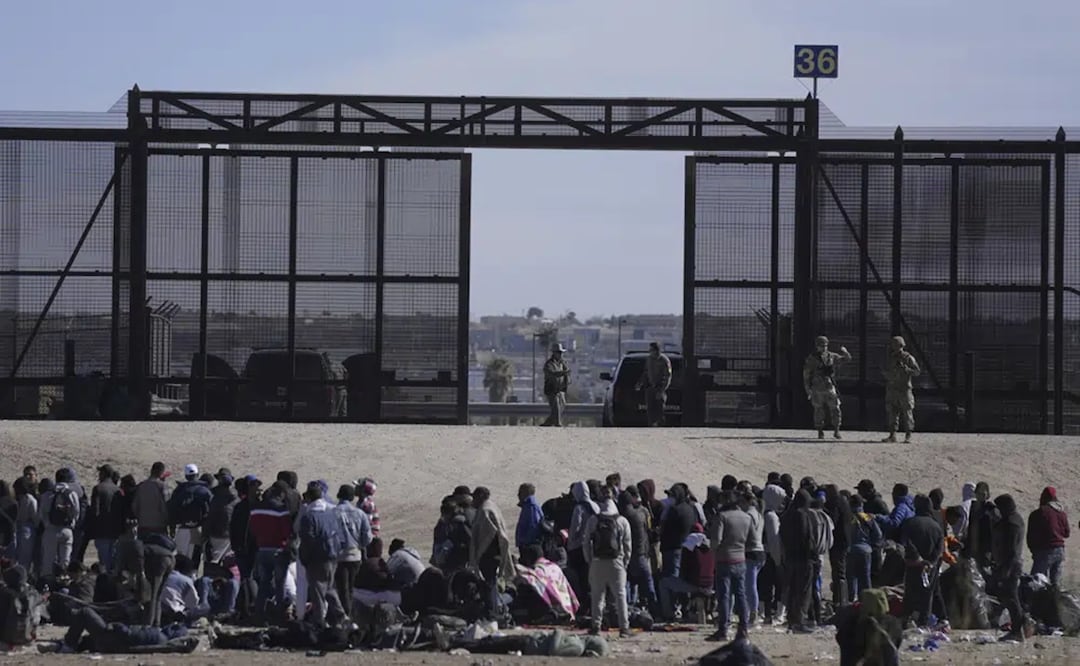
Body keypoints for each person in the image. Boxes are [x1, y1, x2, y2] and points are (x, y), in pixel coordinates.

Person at [582, 486, 632, 637]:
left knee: (597, 596)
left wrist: (589, 560)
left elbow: (586, 542)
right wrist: (625, 563)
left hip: (597, 561)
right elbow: (627, 545)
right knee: (620, 595)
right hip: (617, 562)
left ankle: (596, 626)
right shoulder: (622, 520)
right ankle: (624, 628)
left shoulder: (593, 520)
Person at [296, 481, 343, 627]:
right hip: (332, 556)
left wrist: (304, 558)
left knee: (317, 590)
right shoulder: (331, 513)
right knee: (329, 588)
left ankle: (319, 621)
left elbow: (307, 540)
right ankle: (340, 615)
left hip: (317, 558)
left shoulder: (309, 516)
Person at [709, 491, 752, 641]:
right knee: (741, 595)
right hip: (740, 559)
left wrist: (713, 551)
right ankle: (743, 628)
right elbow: (751, 540)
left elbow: (716, 540)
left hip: (724, 560)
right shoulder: (747, 517)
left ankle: (723, 630)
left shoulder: (722, 517)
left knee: (724, 596)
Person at [469, 486, 515, 619]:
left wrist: (478, 554)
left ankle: (496, 611)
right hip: (494, 554)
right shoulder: (491, 507)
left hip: (489, 555)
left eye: (474, 497)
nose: (473, 501)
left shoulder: (485, 511)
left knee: (490, 586)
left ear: (480, 497)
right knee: (491, 585)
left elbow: (488, 534)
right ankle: (496, 610)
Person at [899, 495, 944, 626]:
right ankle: (923, 623)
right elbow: (939, 548)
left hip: (913, 565)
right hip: (930, 567)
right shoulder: (937, 526)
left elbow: (906, 542)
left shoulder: (910, 523)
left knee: (910, 594)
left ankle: (906, 621)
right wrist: (931, 562)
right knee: (927, 595)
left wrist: (918, 558)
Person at [990, 494, 1027, 642]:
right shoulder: (1015, 519)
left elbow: (1011, 550)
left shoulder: (1012, 523)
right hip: (1011, 563)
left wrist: (1005, 569)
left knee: (1011, 597)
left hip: (1010, 564)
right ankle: (1018, 628)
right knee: (1010, 597)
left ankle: (1017, 630)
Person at [802, 335, 852, 439]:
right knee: (818, 410)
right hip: (817, 387)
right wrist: (808, 389)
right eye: (821, 346)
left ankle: (836, 430)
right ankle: (820, 430)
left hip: (829, 387)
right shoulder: (812, 358)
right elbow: (806, 374)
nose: (824, 348)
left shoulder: (831, 356)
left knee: (836, 408)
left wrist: (845, 352)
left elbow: (846, 359)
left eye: (825, 346)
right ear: (817, 346)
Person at [333, 484, 371, 618]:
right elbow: (367, 537)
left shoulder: (333, 512)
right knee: (352, 588)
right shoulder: (360, 513)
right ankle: (352, 615)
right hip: (355, 555)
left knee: (342, 589)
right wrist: (360, 545)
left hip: (339, 556)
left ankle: (345, 616)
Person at [618, 486, 656, 612]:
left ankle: (630, 607)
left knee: (630, 582)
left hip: (631, 553)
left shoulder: (623, 516)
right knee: (646, 581)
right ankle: (652, 606)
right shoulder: (642, 513)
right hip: (642, 552)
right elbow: (648, 529)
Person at [39, 470, 82, 579]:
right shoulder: (72, 493)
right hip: (66, 529)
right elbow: (76, 512)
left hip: (51, 530)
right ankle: (64, 580)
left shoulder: (47, 494)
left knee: (48, 559)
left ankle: (47, 581)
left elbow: (42, 513)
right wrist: (72, 523)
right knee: (65, 560)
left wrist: (47, 524)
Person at [168, 464, 212, 562]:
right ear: (197, 475)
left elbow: (171, 510)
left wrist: (172, 528)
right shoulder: (205, 491)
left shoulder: (179, 491)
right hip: (198, 530)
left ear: (186, 476)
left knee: (180, 561)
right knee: (194, 561)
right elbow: (210, 513)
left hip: (181, 529)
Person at [1026, 486, 1069, 586]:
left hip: (1045, 550)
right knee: (1055, 583)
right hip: (1060, 550)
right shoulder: (1061, 513)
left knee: (1037, 581)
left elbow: (1031, 535)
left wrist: (1034, 550)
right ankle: (1054, 595)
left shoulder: (1039, 513)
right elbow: (1066, 533)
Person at [882, 336, 921, 443]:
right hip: (892, 388)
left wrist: (907, 369)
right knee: (892, 412)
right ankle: (892, 435)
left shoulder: (908, 358)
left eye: (896, 345)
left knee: (907, 412)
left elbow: (917, 372)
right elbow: (885, 370)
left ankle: (908, 435)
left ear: (901, 345)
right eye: (893, 345)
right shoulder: (890, 358)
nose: (894, 347)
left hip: (904, 389)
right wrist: (887, 375)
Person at [86, 465, 123, 574]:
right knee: (112, 560)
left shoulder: (98, 488)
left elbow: (95, 511)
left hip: (102, 530)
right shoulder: (117, 490)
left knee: (103, 562)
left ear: (103, 474)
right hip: (115, 531)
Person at [846, 494, 883, 602]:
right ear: (861, 504)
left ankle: (851, 600)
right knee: (865, 578)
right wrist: (871, 544)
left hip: (850, 550)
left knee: (851, 577)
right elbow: (878, 534)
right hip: (865, 550)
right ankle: (867, 601)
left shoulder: (846, 517)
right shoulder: (866, 517)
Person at [205, 468, 238, 564]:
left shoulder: (213, 495)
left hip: (216, 533)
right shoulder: (236, 497)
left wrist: (205, 533)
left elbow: (209, 516)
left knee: (215, 561)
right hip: (231, 533)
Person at [637, 342, 672, 427]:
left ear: (657, 350)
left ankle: (660, 426)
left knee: (659, 410)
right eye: (650, 350)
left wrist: (662, 390)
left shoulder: (664, 360)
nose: (650, 352)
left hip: (659, 388)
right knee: (650, 410)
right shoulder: (649, 359)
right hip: (650, 387)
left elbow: (668, 376)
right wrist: (640, 383)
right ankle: (651, 426)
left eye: (652, 350)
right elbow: (645, 372)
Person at [132, 463, 170, 539]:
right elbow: (167, 506)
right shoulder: (162, 486)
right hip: (159, 527)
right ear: (161, 473)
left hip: (143, 526)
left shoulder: (141, 486)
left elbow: (134, 507)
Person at [541, 342, 572, 427]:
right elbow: (551, 373)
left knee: (562, 405)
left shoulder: (563, 363)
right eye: (558, 352)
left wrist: (567, 380)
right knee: (556, 407)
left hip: (560, 389)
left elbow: (567, 373)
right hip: (551, 389)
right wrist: (562, 373)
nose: (560, 354)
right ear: (554, 353)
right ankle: (557, 423)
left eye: (561, 352)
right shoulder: (549, 364)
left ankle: (548, 422)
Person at [515, 483, 545, 552]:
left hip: (529, 546)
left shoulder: (531, 507)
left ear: (526, 493)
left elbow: (533, 526)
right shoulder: (527, 505)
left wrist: (525, 544)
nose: (518, 495)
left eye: (520, 492)